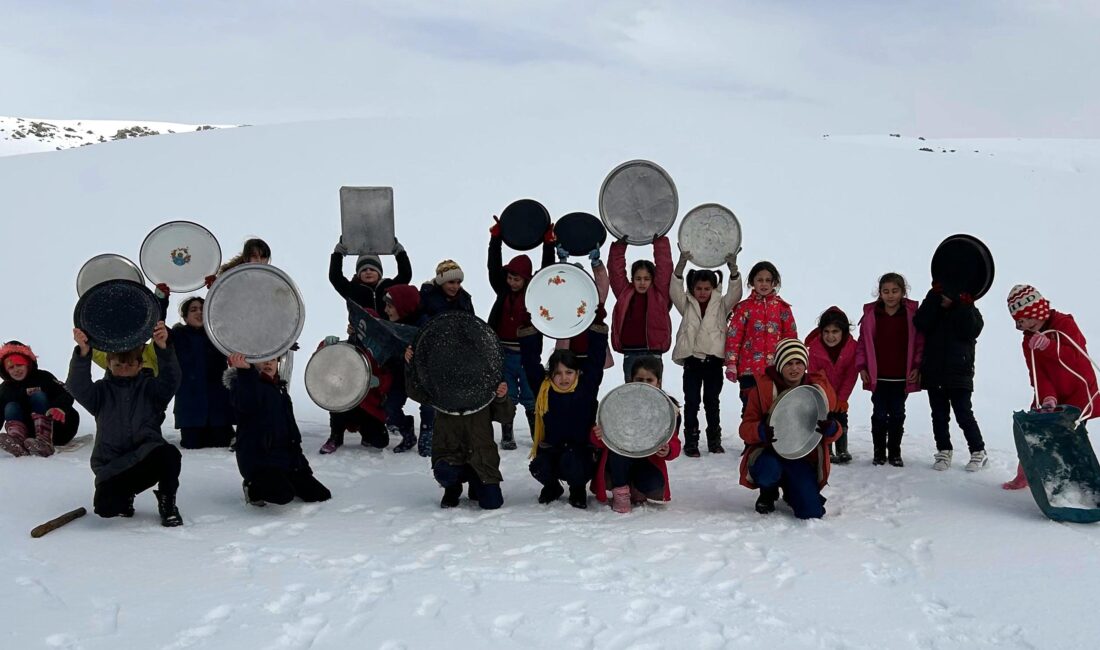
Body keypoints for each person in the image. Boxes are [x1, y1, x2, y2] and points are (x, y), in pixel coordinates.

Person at [67, 323, 184, 527]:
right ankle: (125, 496)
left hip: (145, 456)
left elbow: (171, 379)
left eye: (129, 365)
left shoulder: (152, 390)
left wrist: (163, 348)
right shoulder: (100, 392)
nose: (123, 369)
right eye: (118, 365)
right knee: (105, 509)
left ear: (140, 365)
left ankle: (167, 503)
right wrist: (83, 352)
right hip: (112, 466)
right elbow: (77, 386)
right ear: (109, 364)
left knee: (169, 455)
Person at [1003, 285, 1100, 489]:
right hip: (1053, 394)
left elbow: (1079, 362)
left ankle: (1079, 483)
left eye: (1024, 321)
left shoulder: (1065, 324)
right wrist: (1048, 397)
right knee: (1032, 432)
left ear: (1036, 313)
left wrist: (1049, 346)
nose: (1022, 327)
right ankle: (1026, 475)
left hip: (1079, 392)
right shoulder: (1028, 341)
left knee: (1069, 438)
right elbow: (1038, 374)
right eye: (1019, 324)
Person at [739, 339, 842, 519]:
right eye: (788, 363)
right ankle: (768, 492)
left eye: (799, 363)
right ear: (779, 365)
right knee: (769, 470)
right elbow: (745, 428)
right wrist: (760, 431)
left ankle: (792, 489)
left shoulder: (818, 391)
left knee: (812, 512)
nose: (794, 368)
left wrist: (831, 429)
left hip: (800, 455)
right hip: (769, 453)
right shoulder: (762, 390)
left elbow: (832, 431)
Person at [406, 346, 513, 509]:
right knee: (445, 472)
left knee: (492, 503)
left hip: (481, 457)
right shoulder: (440, 385)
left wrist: (501, 397)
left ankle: (475, 483)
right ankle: (452, 488)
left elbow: (505, 416)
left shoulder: (487, 383)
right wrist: (411, 364)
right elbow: (415, 391)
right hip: (450, 453)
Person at [226, 353, 331, 506]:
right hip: (259, 462)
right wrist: (245, 372)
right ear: (253, 363)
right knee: (283, 496)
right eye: (262, 360)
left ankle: (284, 479)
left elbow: (292, 433)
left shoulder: (280, 389)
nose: (268, 363)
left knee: (320, 495)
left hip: (285, 461)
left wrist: (301, 467)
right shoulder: (243, 385)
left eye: (273, 359)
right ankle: (251, 487)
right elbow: (247, 402)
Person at [487, 217, 555, 450]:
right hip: (504, 352)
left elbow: (546, 271)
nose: (512, 281)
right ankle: (507, 433)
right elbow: (493, 267)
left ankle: (536, 430)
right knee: (507, 393)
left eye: (517, 278)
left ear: (526, 280)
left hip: (527, 354)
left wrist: (549, 244)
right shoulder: (502, 291)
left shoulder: (535, 295)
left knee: (529, 393)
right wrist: (495, 239)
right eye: (510, 277)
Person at [525, 323, 609, 509]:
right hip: (553, 449)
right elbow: (530, 362)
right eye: (558, 373)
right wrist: (529, 330)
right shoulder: (544, 390)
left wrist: (597, 327)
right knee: (538, 466)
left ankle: (577, 489)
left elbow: (596, 359)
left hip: (580, 453)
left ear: (577, 372)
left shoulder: (586, 388)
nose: (564, 378)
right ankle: (552, 487)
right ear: (550, 375)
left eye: (569, 372)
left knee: (572, 461)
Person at [670, 248, 742, 456]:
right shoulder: (686, 304)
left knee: (712, 401)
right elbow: (674, 290)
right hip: (692, 360)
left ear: (713, 288)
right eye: (698, 288)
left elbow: (735, 294)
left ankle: (714, 440)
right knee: (692, 401)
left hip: (713, 361)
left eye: (706, 288)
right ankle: (691, 441)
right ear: (692, 288)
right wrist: (682, 263)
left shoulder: (721, 305)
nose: (702, 292)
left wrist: (733, 269)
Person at [591, 356, 682, 513]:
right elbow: (601, 437)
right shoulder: (617, 403)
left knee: (652, 483)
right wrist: (598, 435)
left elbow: (674, 442)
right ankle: (621, 491)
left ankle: (636, 488)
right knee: (619, 452)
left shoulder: (668, 410)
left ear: (658, 382)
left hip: (647, 461)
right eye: (640, 379)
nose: (644, 384)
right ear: (631, 380)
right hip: (618, 461)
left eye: (649, 380)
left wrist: (668, 450)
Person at [914, 283, 987, 471]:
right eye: (943, 294)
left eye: (950, 295)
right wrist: (933, 296)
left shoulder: (968, 311)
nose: (945, 298)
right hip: (934, 373)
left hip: (959, 374)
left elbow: (971, 329)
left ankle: (979, 451)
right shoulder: (934, 311)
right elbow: (920, 322)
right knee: (939, 415)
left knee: (964, 414)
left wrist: (964, 305)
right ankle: (944, 451)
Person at [855, 273, 924, 467]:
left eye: (895, 291)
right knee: (878, 414)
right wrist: (861, 367)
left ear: (903, 292)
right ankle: (879, 452)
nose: (890, 295)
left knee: (897, 414)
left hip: (901, 376)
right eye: (886, 291)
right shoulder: (872, 314)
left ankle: (894, 451)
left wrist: (917, 366)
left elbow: (919, 343)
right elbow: (862, 343)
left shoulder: (910, 315)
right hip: (879, 376)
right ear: (880, 293)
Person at [413, 260, 475, 456]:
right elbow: (419, 322)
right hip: (432, 353)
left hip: (456, 355)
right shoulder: (427, 297)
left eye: (458, 282)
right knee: (430, 395)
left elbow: (471, 323)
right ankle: (427, 431)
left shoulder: (464, 299)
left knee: (454, 395)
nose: (455, 287)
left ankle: (454, 433)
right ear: (441, 282)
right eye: (451, 283)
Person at [724, 261, 797, 413]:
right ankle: (750, 436)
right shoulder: (744, 308)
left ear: (774, 283)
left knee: (775, 408)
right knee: (750, 407)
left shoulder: (782, 308)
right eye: (760, 280)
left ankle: (771, 437)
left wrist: (791, 364)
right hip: (749, 370)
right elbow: (734, 336)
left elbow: (790, 338)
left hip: (775, 369)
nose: (764, 284)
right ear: (752, 282)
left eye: (768, 280)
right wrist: (731, 363)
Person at [170, 297, 235, 449]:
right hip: (190, 412)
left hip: (219, 410)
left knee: (223, 444)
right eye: (193, 310)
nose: (199, 312)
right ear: (185, 317)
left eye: (203, 309)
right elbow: (157, 325)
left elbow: (238, 320)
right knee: (192, 445)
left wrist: (218, 290)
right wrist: (162, 299)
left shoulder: (220, 336)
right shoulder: (177, 336)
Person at [609, 235, 674, 382]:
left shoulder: (660, 295)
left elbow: (665, 269)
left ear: (653, 279)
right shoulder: (624, 293)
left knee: (652, 394)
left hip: (653, 352)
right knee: (632, 392)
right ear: (632, 279)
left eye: (647, 279)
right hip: (630, 352)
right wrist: (619, 247)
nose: (642, 283)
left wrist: (659, 243)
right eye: (638, 279)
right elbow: (615, 273)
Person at [0, 341, 80, 457]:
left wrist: (59, 407)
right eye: (11, 367)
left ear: (27, 364)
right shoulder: (5, 388)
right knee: (10, 406)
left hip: (57, 428)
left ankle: (44, 440)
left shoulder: (43, 377)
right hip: (29, 434)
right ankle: (17, 440)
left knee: (38, 396)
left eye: (19, 365)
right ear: (6, 370)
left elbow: (65, 392)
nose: (16, 370)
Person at [317, 337, 392, 454]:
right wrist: (324, 345)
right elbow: (321, 361)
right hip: (344, 401)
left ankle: (365, 431)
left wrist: (379, 381)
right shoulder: (343, 348)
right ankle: (336, 436)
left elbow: (388, 378)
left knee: (380, 441)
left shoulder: (376, 351)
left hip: (368, 405)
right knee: (337, 404)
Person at [805, 307, 858, 464]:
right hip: (822, 393)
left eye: (835, 331)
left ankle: (842, 448)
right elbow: (814, 376)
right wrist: (825, 397)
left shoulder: (852, 349)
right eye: (826, 331)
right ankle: (826, 446)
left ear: (844, 331)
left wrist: (842, 399)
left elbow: (851, 376)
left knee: (841, 416)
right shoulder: (814, 349)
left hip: (840, 391)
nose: (830, 336)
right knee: (823, 417)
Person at [380, 284, 425, 453]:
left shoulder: (424, 324)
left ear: (402, 307)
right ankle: (407, 431)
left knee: (428, 408)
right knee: (390, 407)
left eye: (390, 306)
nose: (386, 310)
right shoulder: (391, 323)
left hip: (421, 378)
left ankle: (428, 433)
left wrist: (414, 352)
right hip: (399, 375)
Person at [330, 236, 412, 327]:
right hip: (365, 335)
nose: (368, 272)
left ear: (379, 273)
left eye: (372, 270)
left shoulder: (389, 286)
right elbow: (335, 277)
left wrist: (400, 253)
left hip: (390, 332)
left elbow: (405, 275)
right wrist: (338, 254)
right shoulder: (353, 289)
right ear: (359, 274)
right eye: (364, 270)